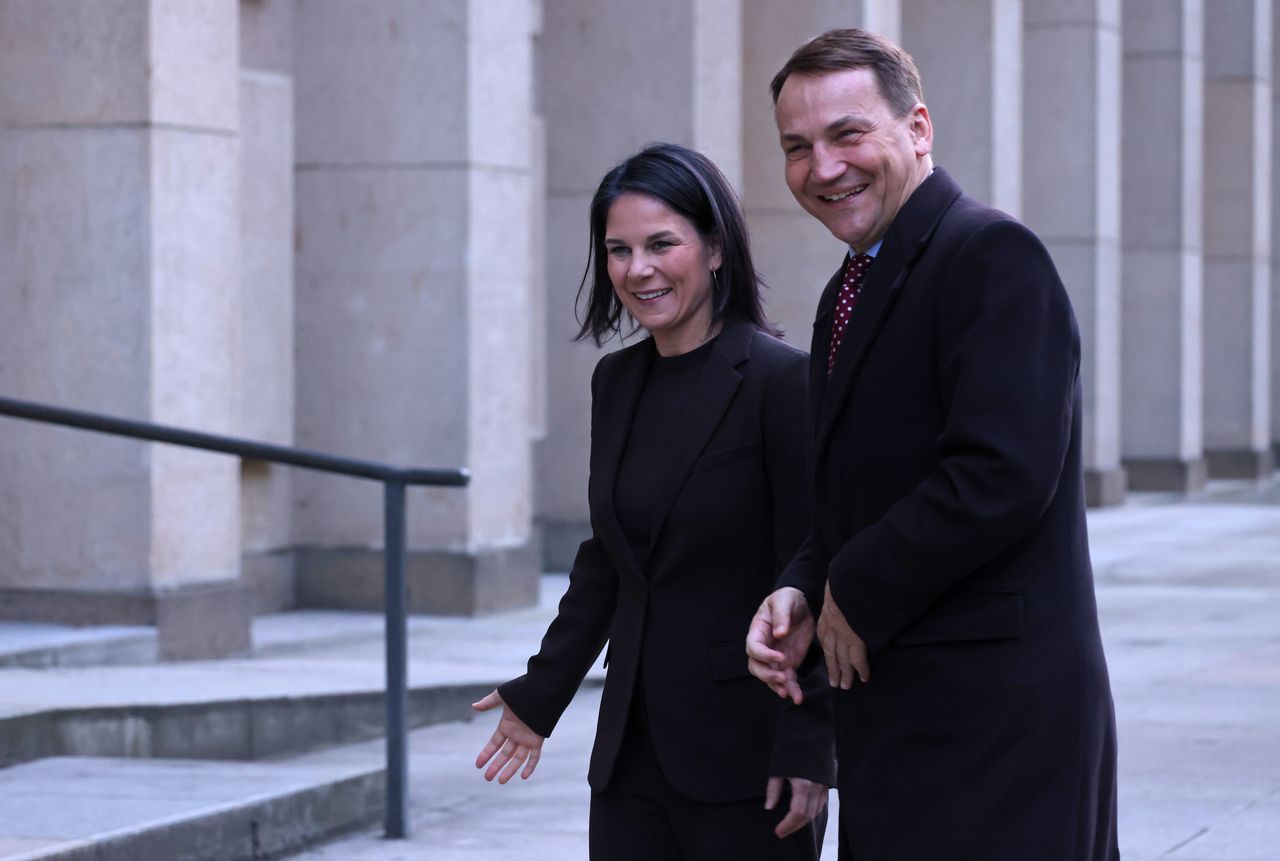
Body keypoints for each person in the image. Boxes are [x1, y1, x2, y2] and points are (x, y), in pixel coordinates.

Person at [744, 28, 1119, 860]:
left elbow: (1003, 472)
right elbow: (854, 487)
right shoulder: (851, 286)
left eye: (848, 134)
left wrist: (853, 584)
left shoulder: (991, 254)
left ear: (918, 129)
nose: (823, 167)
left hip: (995, 722)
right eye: (797, 148)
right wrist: (805, 586)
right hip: (904, 714)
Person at [473, 142, 833, 860]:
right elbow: (611, 556)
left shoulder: (781, 381)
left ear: (715, 250)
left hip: (748, 757)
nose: (637, 269)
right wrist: (542, 690)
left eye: (660, 244)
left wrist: (809, 743)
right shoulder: (618, 381)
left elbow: (813, 563)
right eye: (618, 249)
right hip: (629, 755)